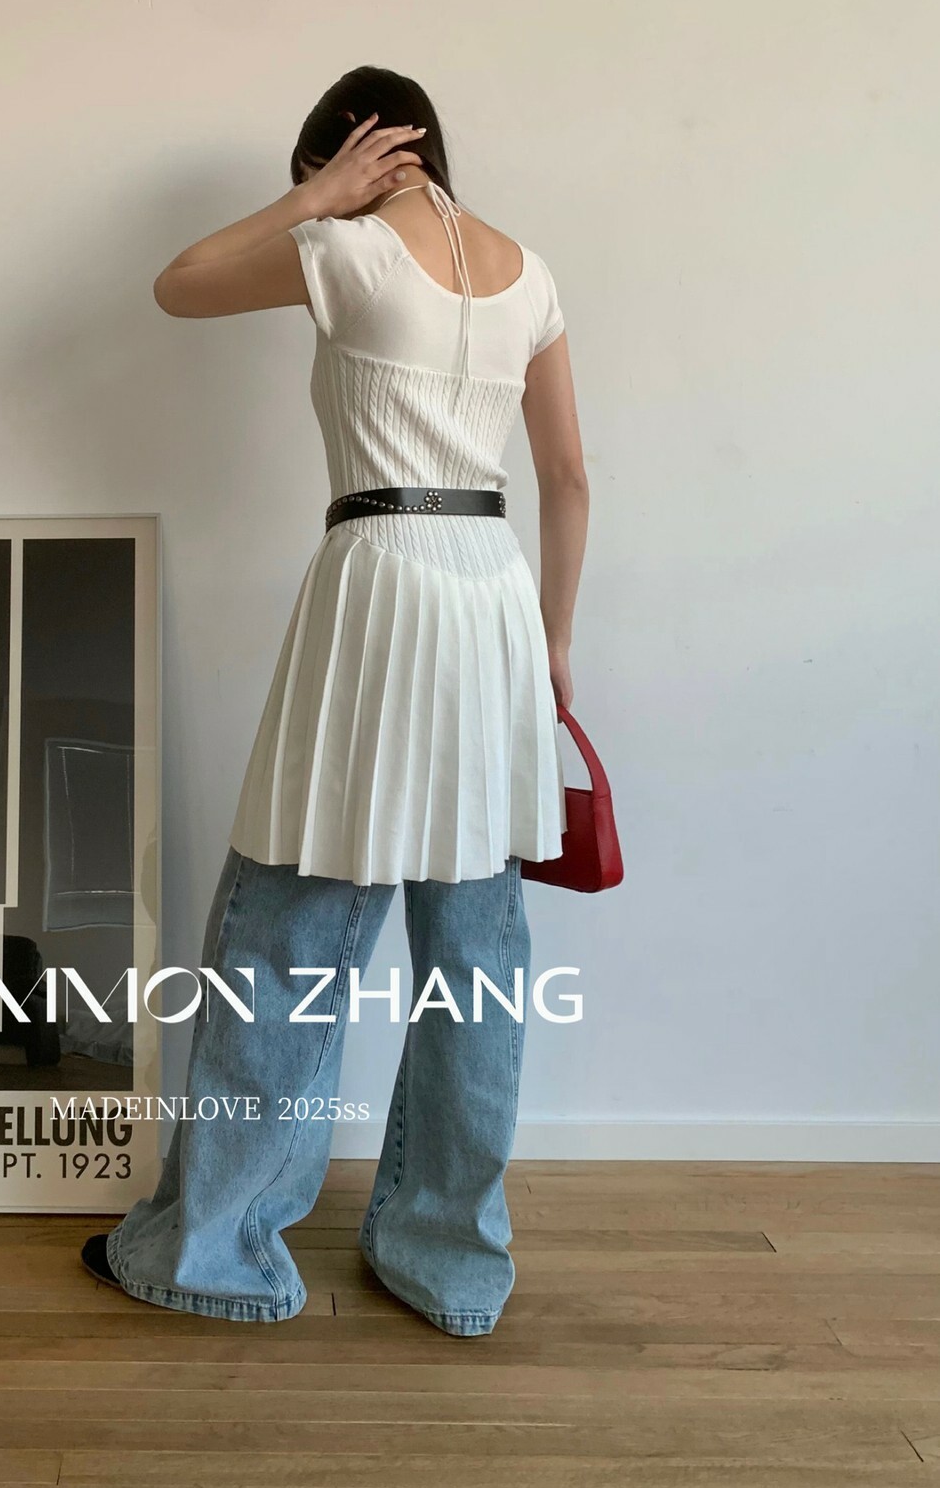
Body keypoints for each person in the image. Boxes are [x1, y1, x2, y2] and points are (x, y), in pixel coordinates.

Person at [81, 65, 588, 1335]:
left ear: (341, 154)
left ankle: (213, 1252)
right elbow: (569, 478)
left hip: (378, 582)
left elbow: (178, 282)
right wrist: (553, 643)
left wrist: (310, 200)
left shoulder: (344, 250)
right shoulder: (529, 273)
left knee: (288, 927)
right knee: (476, 951)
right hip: (492, 596)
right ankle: (446, 1265)